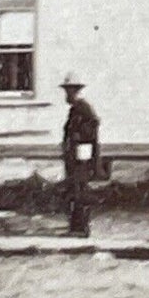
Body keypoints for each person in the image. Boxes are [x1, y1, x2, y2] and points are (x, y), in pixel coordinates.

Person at [60, 72, 100, 238]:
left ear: (75, 91)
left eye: (69, 91)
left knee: (80, 191)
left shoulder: (83, 108)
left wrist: (80, 151)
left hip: (81, 158)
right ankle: (76, 226)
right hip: (74, 157)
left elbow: (91, 130)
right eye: (66, 91)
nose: (67, 95)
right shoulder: (75, 109)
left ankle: (81, 227)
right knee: (74, 190)